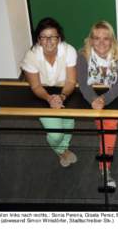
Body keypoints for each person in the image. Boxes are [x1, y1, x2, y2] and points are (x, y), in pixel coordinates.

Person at [77, 21, 118, 188]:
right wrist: (94, 99)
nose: (101, 42)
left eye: (106, 38)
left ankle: (104, 169)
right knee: (102, 131)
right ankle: (104, 149)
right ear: (90, 40)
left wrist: (104, 100)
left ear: (112, 40)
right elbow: (83, 84)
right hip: (90, 95)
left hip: (114, 95)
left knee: (108, 130)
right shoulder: (83, 54)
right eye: (96, 38)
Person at [20, 17, 77, 167]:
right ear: (38, 40)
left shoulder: (69, 50)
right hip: (42, 94)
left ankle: (63, 148)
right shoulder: (31, 56)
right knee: (56, 134)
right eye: (44, 37)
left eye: (53, 37)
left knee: (68, 126)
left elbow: (71, 82)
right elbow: (36, 86)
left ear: (59, 38)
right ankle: (61, 151)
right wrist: (49, 99)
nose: (49, 41)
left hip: (65, 91)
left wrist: (62, 96)